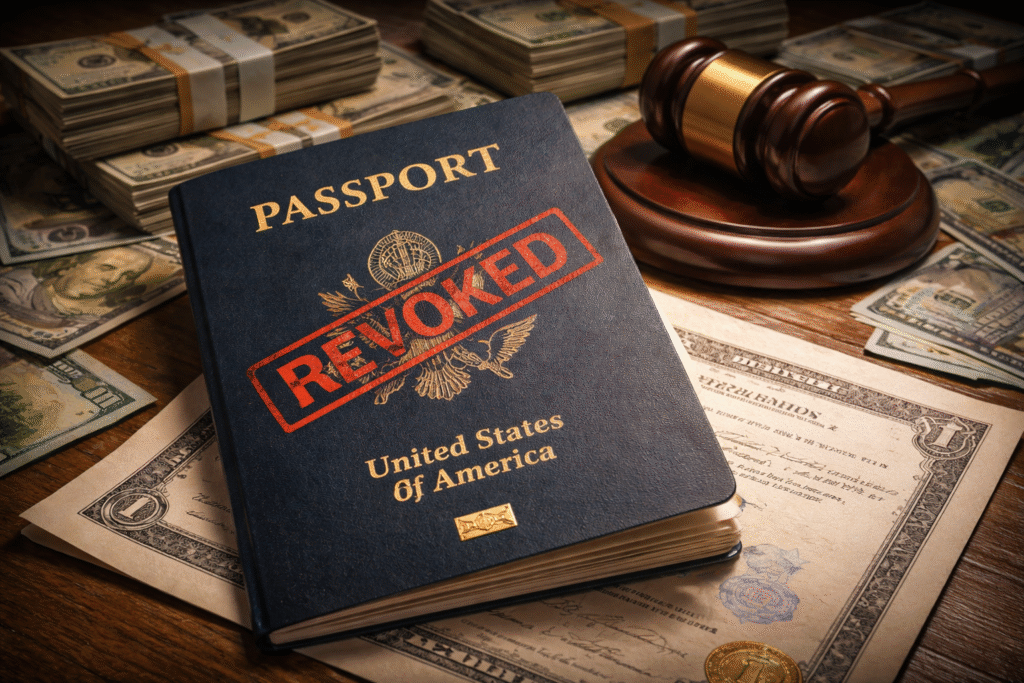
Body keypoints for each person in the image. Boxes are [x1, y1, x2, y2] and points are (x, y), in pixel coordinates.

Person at [0, 246, 154, 328]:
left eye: (129, 276)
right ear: (70, 266)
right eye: (106, 268)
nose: (113, 280)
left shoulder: (93, 319)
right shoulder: (12, 287)